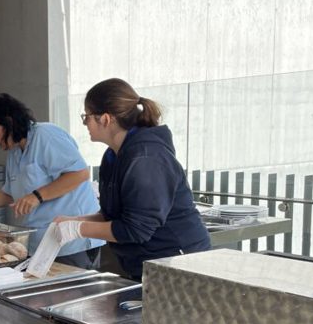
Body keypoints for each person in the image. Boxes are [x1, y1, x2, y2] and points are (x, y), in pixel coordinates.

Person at [54, 78, 210, 281]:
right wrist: (74, 220)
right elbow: (115, 215)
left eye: (87, 117)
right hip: (146, 263)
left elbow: (136, 229)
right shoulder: (113, 156)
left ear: (106, 119)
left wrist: (77, 229)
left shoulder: (146, 157)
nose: (85, 124)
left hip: (179, 264)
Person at [0, 93, 103, 269]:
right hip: (42, 243)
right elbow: (10, 192)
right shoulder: (15, 151)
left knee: (75, 295)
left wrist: (36, 196)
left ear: (9, 122)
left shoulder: (46, 135)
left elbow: (79, 174)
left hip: (73, 242)